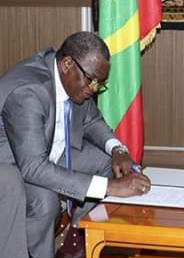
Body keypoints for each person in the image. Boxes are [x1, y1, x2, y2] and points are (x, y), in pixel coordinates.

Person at [0, 32, 151, 258]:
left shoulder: (74, 79)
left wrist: (117, 149)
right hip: (12, 164)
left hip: (47, 152)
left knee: (107, 165)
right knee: (45, 202)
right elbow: (33, 167)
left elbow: (91, 120)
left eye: (100, 83)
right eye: (92, 80)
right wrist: (110, 187)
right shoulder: (28, 92)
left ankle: (79, 237)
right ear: (67, 64)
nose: (94, 88)